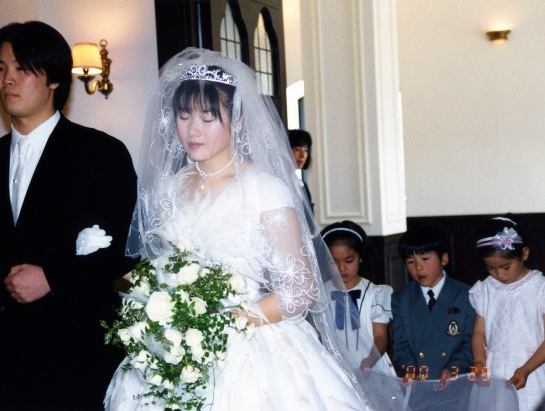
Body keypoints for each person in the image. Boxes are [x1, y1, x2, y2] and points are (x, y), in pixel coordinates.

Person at [105, 48, 388, 410]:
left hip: (253, 343)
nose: (192, 130)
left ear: (237, 119)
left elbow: (301, 288)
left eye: (208, 117)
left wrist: (223, 322)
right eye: (184, 116)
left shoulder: (264, 189)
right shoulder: (170, 188)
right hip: (177, 343)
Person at [0, 21, 137, 410]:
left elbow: (124, 249)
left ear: (54, 78)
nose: (7, 79)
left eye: (22, 68)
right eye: (0, 68)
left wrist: (52, 277)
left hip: (77, 355)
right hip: (3, 361)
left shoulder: (101, 153)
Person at [470, 215, 545, 411]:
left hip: (532, 371)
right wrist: (479, 360)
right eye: (491, 268)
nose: (499, 274)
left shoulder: (544, 288)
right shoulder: (485, 289)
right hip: (495, 372)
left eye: (506, 267)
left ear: (524, 253)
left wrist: (526, 369)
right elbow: (479, 333)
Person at [391, 225, 475, 385]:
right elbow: (400, 346)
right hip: (419, 385)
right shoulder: (401, 299)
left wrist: (453, 369)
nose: (418, 267)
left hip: (455, 383)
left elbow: (470, 343)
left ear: (444, 258)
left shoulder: (466, 295)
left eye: (425, 259)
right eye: (410, 262)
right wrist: (409, 369)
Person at [321, 221, 396, 375]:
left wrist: (370, 360)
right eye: (334, 262)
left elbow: (380, 336)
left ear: (360, 257)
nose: (342, 268)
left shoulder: (375, 293)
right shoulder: (321, 293)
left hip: (371, 365)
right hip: (335, 369)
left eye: (349, 261)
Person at [288, 129, 314, 213]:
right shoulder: (279, 183)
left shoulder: (303, 185)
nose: (303, 155)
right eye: (297, 149)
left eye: (306, 150)